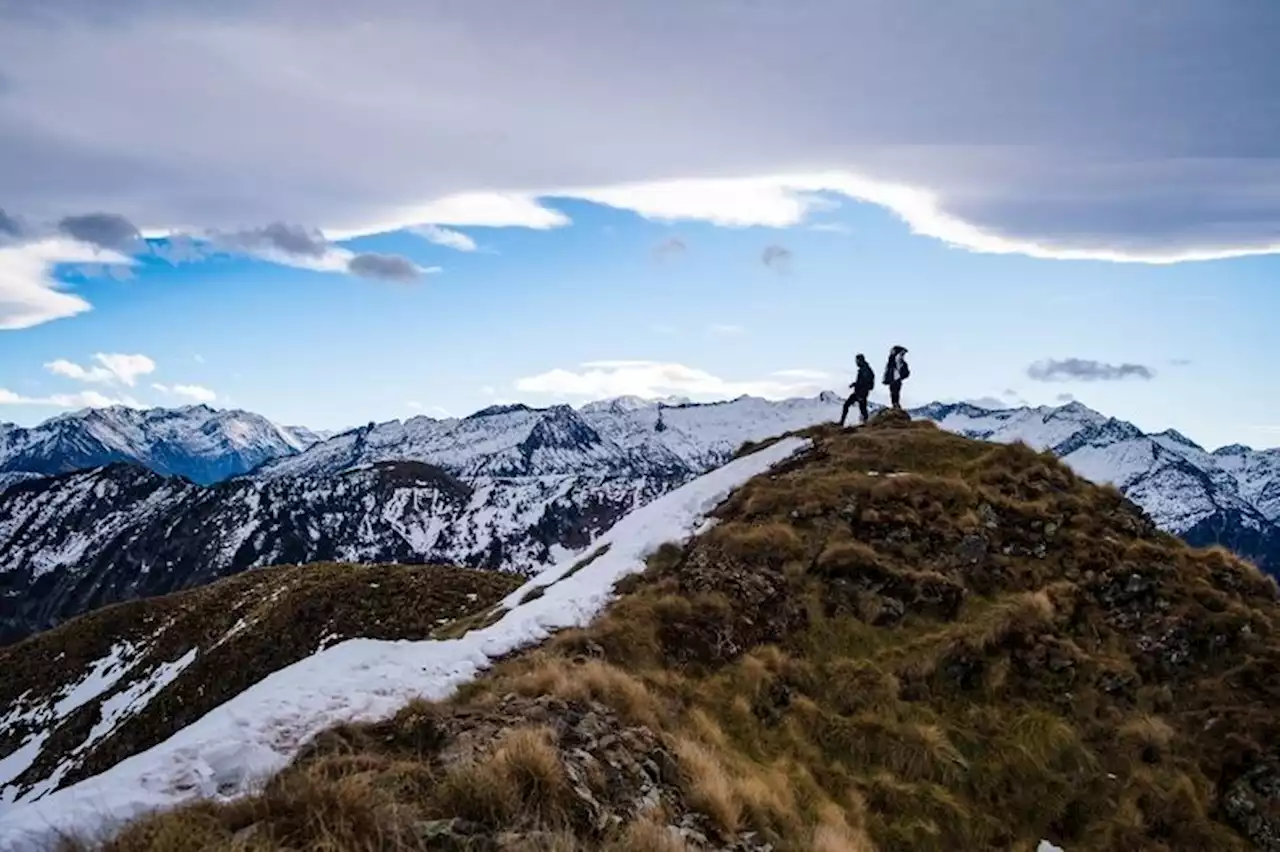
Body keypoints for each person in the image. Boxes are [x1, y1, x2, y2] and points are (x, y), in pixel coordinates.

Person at [840, 353, 875, 427]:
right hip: (860, 392)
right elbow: (863, 382)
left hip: (861, 392)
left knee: (848, 405)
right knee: (862, 408)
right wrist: (855, 384)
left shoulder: (865, 370)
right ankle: (866, 423)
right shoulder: (865, 369)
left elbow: (865, 383)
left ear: (860, 360)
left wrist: (861, 393)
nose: (856, 363)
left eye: (857, 361)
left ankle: (842, 422)